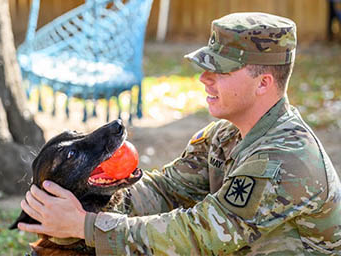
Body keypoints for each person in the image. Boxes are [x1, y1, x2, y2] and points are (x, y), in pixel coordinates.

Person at [18, 12, 341, 255]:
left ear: (263, 83)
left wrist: (85, 226)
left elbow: (199, 235)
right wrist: (80, 196)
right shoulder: (225, 135)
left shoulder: (286, 159)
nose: (204, 77)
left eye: (221, 70)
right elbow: (166, 191)